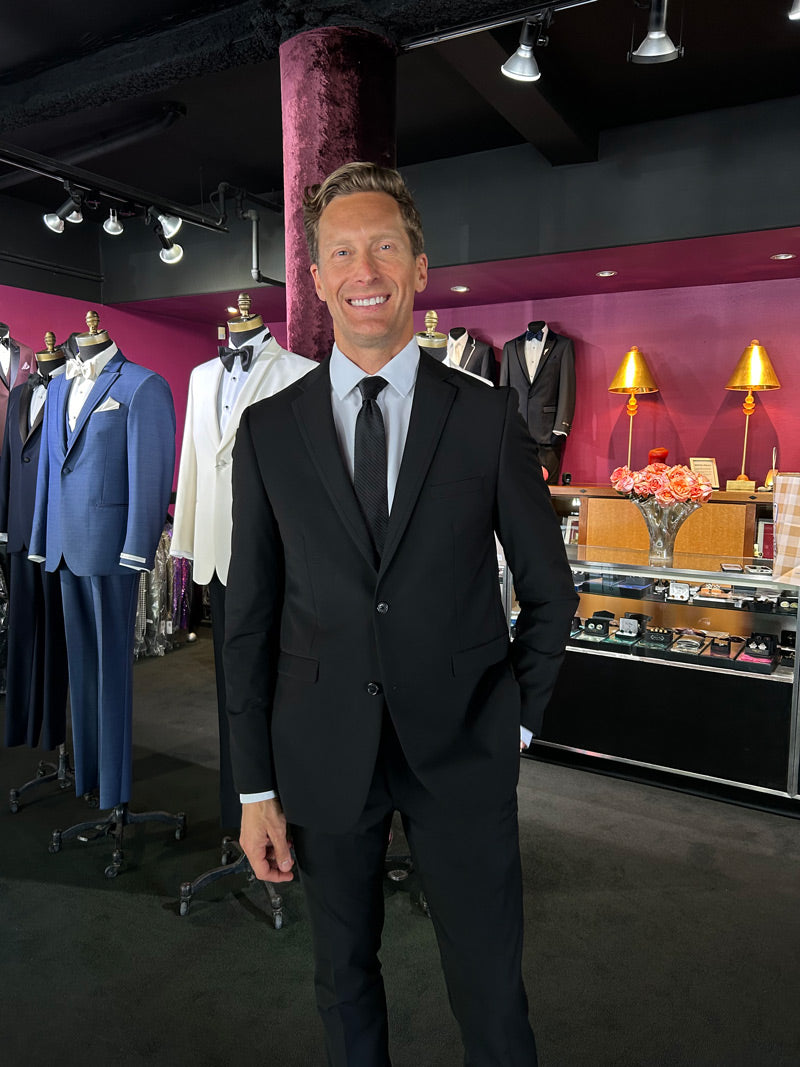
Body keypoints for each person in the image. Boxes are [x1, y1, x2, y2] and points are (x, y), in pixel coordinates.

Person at [223, 161, 578, 1066]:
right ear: (315, 278)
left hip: (462, 745)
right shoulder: (269, 430)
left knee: (492, 989)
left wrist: (518, 723)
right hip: (321, 744)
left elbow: (550, 590)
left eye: (385, 245)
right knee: (342, 980)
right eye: (341, 250)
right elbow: (250, 620)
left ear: (421, 267)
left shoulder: (489, 419)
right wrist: (255, 786)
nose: (363, 267)